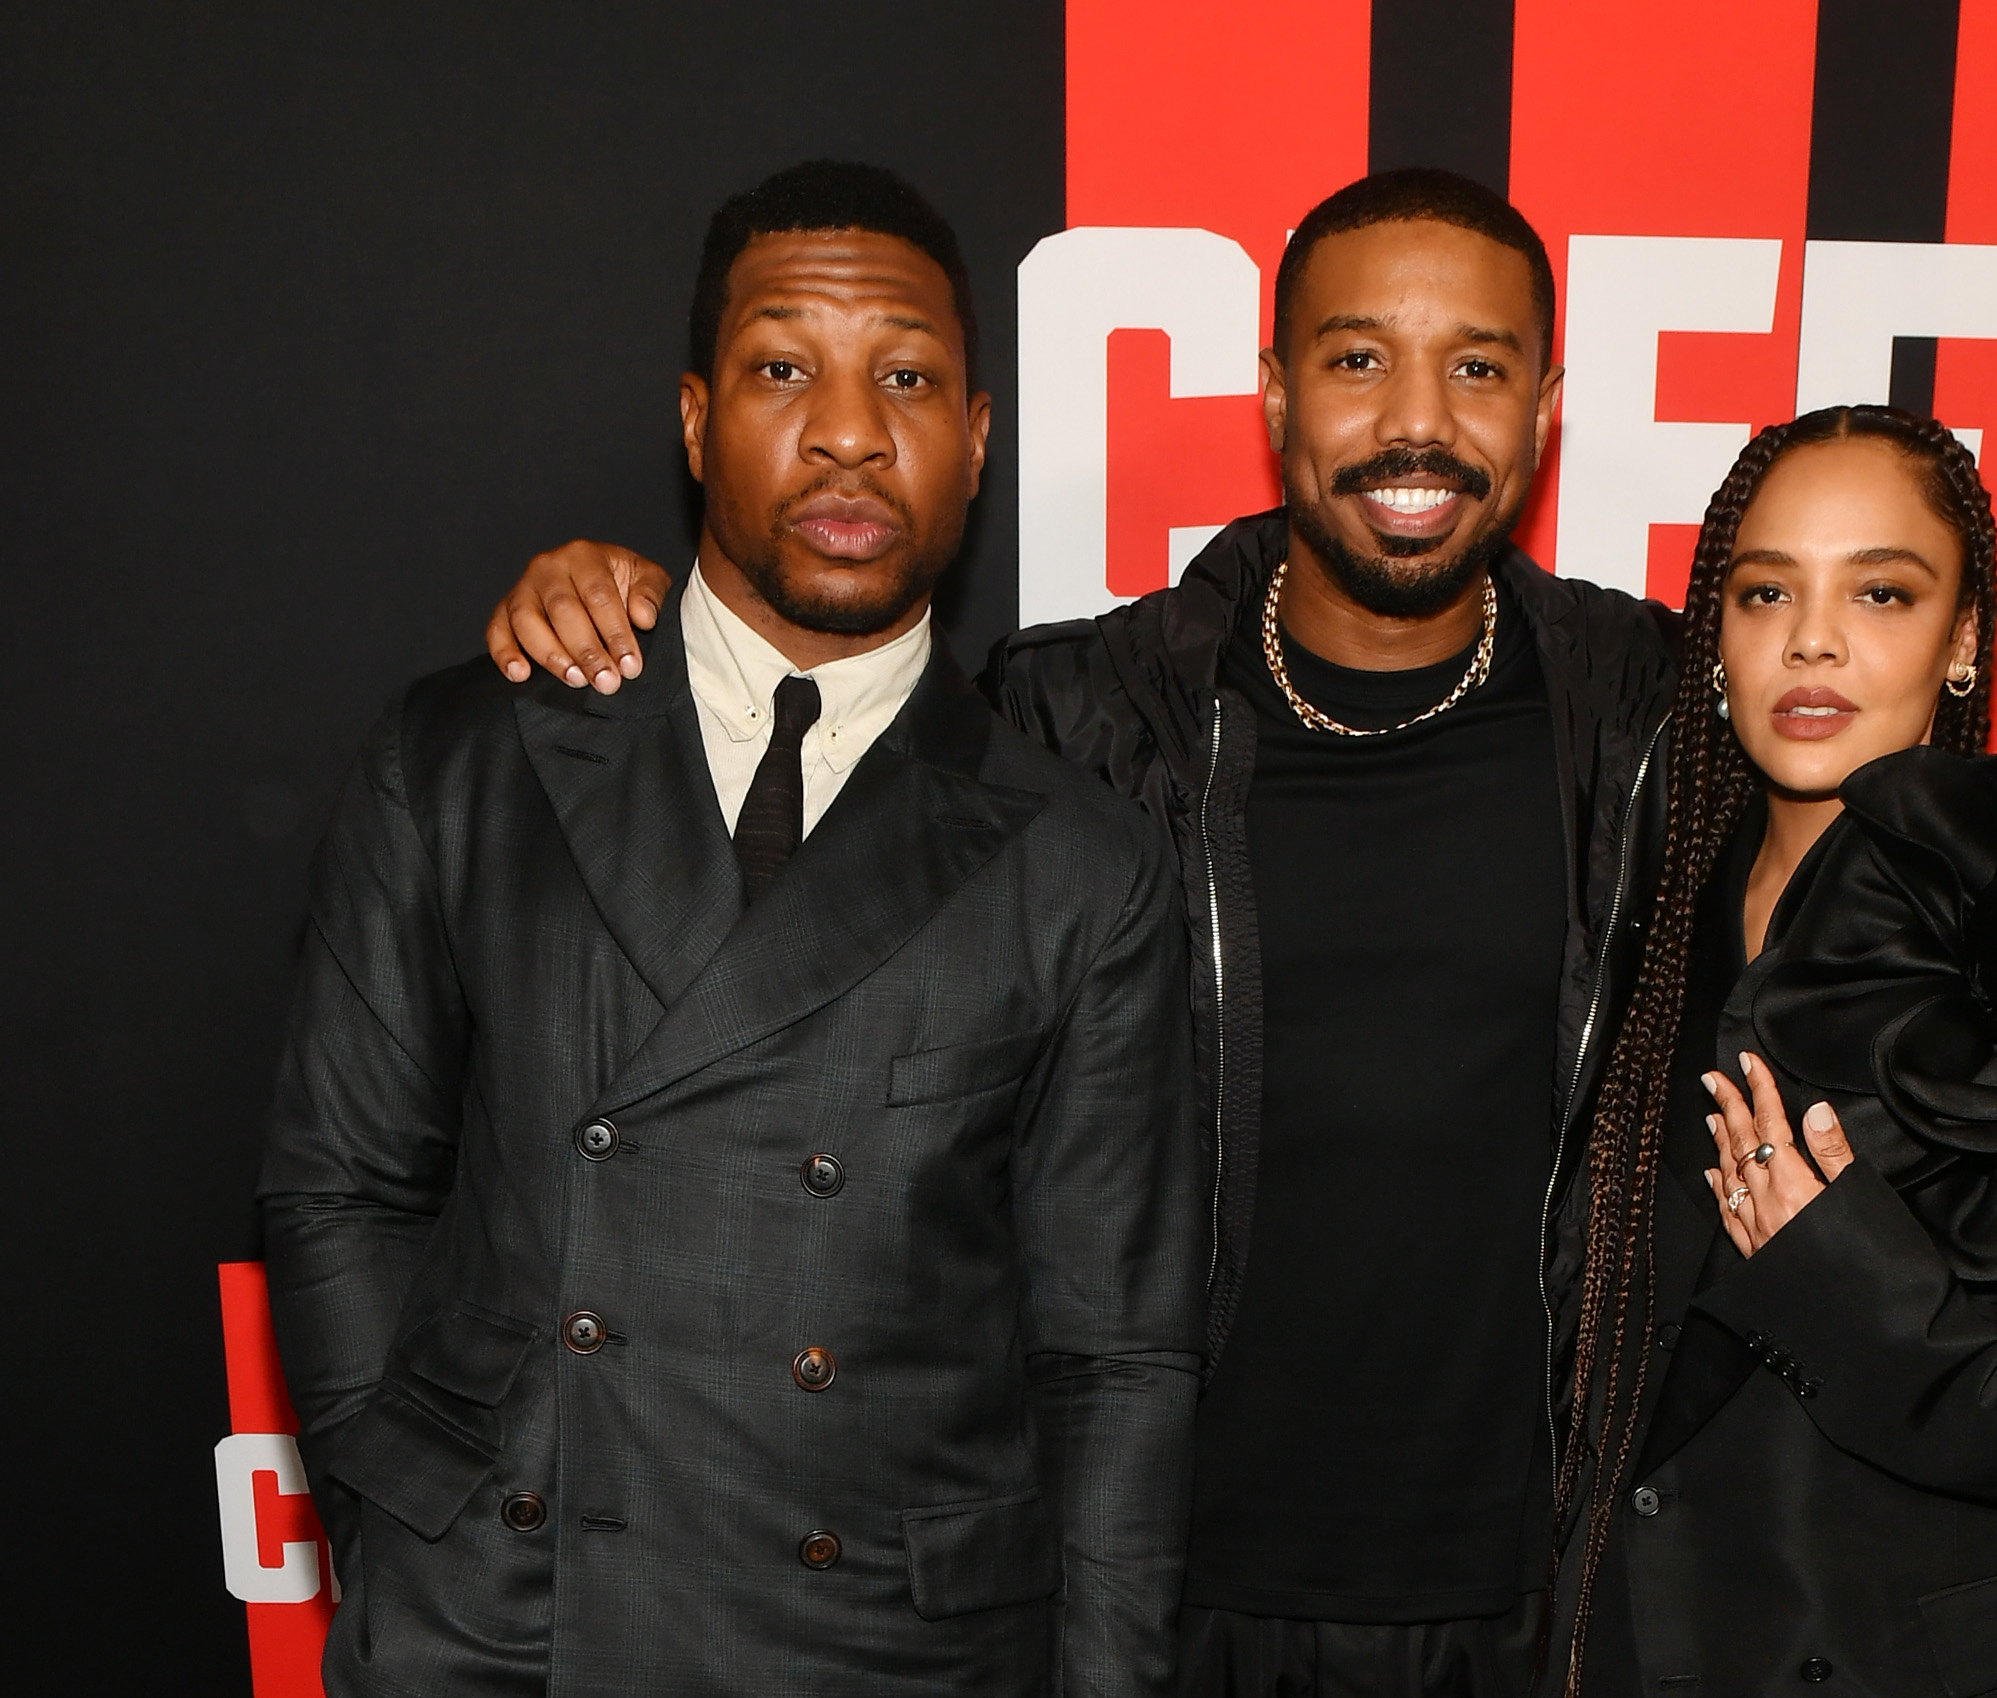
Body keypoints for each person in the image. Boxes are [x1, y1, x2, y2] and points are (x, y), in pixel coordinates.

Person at [483, 169, 1679, 1698]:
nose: (1416, 420)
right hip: (1149, 1587)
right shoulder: (1082, 710)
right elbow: (794, 843)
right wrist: (629, 619)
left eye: (1480, 365)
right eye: (1359, 358)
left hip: (1537, 1598)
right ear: (1275, 392)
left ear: (1546, 403)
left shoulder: (1648, 715)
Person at [259, 160, 1205, 1698]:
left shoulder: (1082, 861)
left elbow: (1113, 1361)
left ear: (975, 443)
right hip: (514, 1623)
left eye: (905, 376)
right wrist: (403, 1519)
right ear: (697, 421)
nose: (847, 428)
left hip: (885, 1653)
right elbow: (339, 1187)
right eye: (785, 369)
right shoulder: (463, 757)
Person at [1550, 407, 1997, 1698]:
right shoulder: (1626, 910)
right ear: (1716, 637)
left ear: (1961, 638)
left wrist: (1844, 1274)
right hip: (1609, 1648)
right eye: (1765, 588)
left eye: (1881, 590)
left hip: (1919, 1663)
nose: (1813, 637)